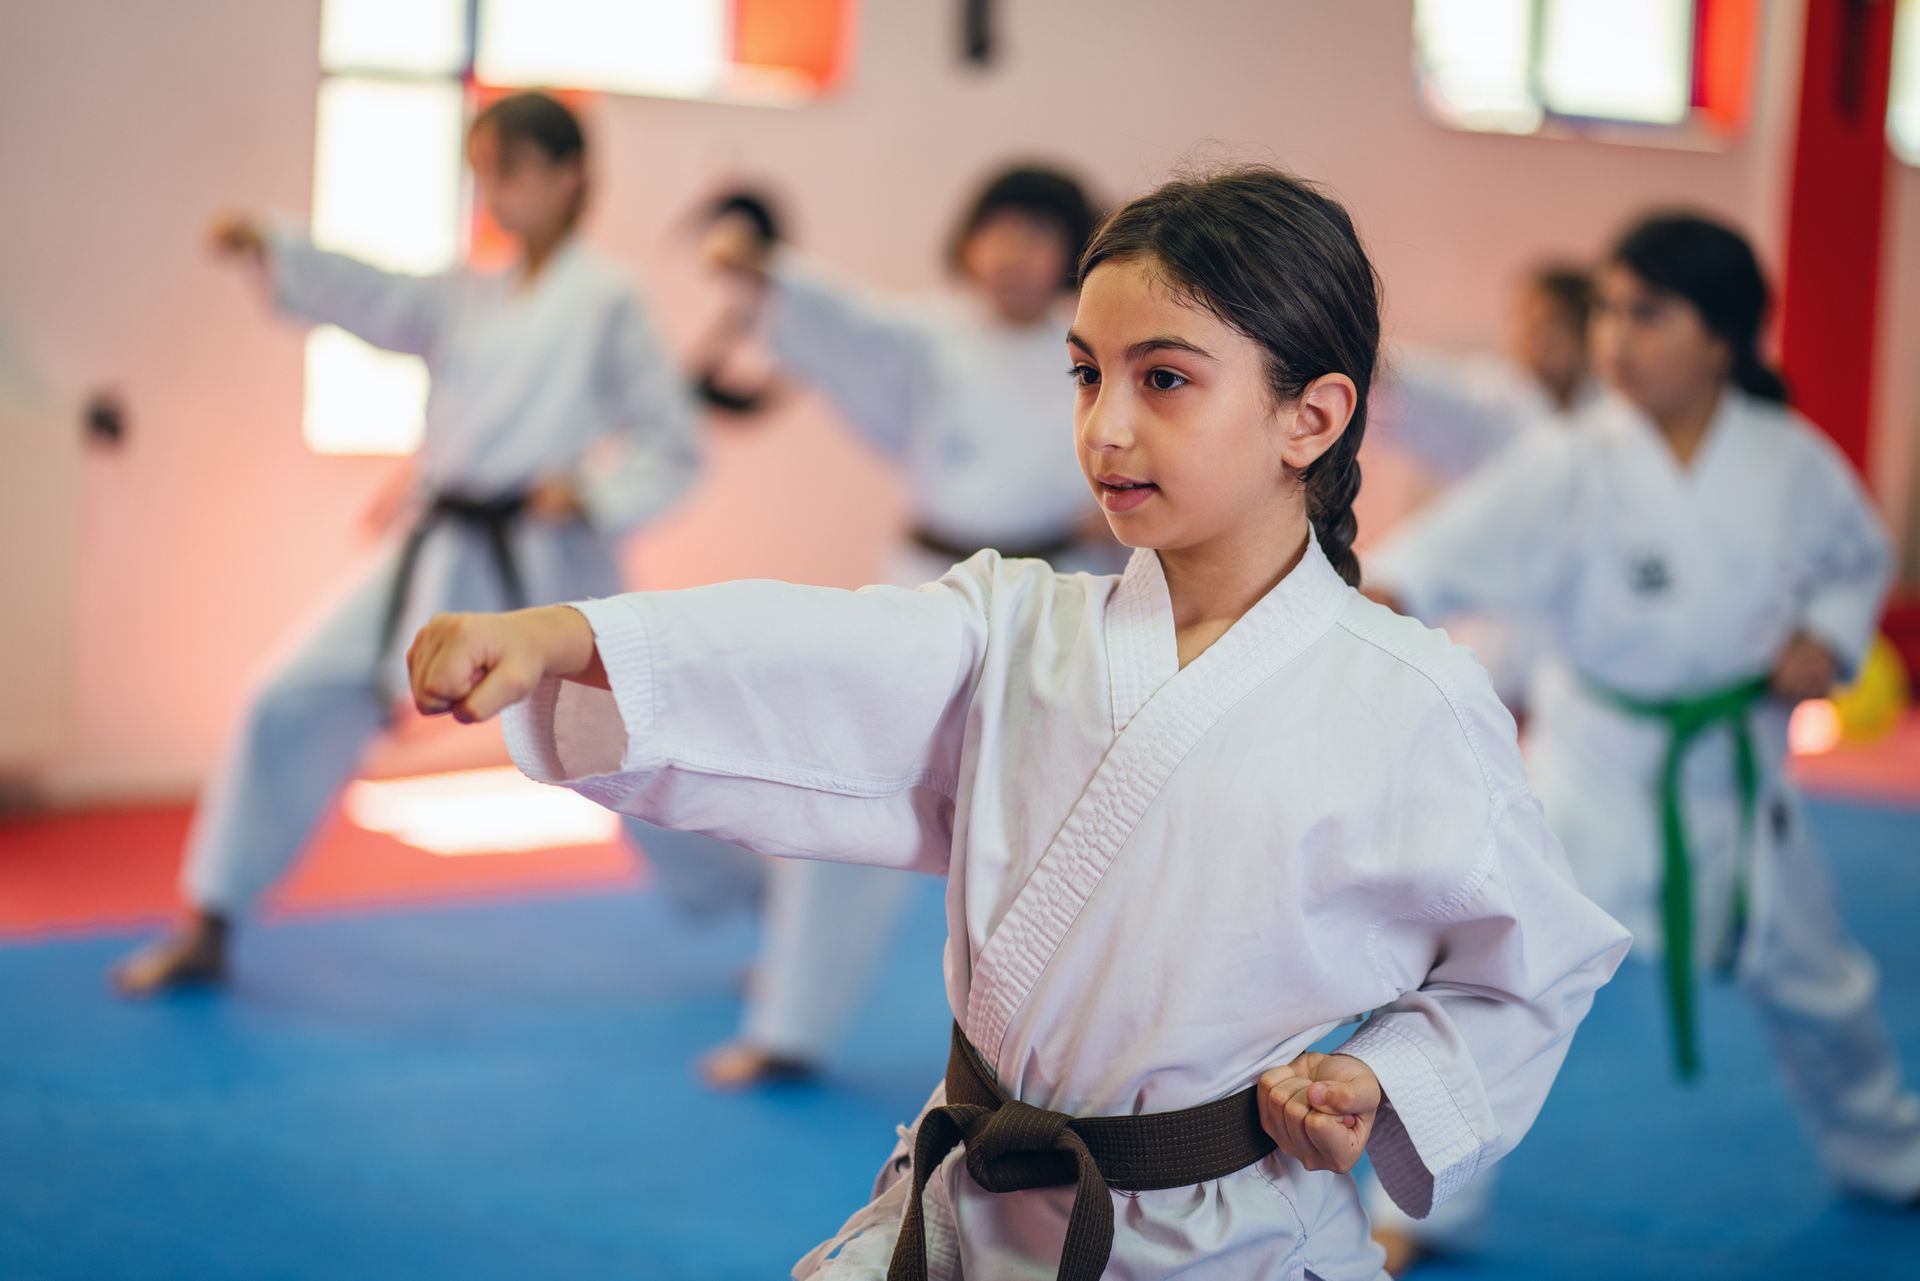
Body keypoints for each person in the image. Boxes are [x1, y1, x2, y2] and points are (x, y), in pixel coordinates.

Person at [407, 165, 1629, 1280]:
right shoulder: (1018, 625)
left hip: (1227, 1242)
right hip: (970, 1211)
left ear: (1310, 417)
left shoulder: (1411, 697)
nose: (1104, 427)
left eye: (1164, 379)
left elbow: (1530, 964)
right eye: (1088, 373)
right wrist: (573, 637)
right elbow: (823, 651)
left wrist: (1380, 1074)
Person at [1365, 211, 1920, 1272]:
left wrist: (1828, 635)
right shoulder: (1571, 460)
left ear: (1723, 337)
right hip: (1594, 769)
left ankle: (1891, 1153)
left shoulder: (1789, 460)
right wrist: (1339, 603)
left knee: (1824, 988)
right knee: (1505, 983)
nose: (1615, 337)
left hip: (1741, 768)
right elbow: (1432, 559)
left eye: (1647, 314)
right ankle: (1422, 1206)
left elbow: (1858, 560)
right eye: (1609, 309)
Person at [113, 91, 701, 996]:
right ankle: (212, 916)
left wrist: (588, 490)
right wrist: (278, 247)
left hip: (546, 563)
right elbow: (374, 294)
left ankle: (771, 912)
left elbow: (671, 441)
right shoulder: (470, 293)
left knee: (635, 749)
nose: (491, 194)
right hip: (439, 552)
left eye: (507, 170)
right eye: (481, 175)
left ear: (567, 172)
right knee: (287, 693)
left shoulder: (607, 298)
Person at [684, 164, 1117, 1089]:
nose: (1014, 256)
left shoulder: (1098, 353)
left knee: (1054, 836)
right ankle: (788, 1025)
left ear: (1070, 257)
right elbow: (847, 322)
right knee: (849, 787)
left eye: (1040, 239)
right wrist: (765, 268)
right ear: (968, 241)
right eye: (1000, 232)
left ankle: (1058, 1063)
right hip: (934, 590)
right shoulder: (930, 335)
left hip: (1056, 601)